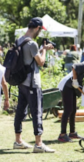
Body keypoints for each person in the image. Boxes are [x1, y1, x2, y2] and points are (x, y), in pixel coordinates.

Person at [13, 17, 55, 153]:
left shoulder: (19, 39)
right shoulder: (32, 44)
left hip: (21, 82)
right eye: (40, 30)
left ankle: (18, 141)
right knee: (37, 112)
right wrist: (44, 50)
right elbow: (41, 62)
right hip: (32, 82)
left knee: (20, 111)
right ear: (37, 28)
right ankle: (38, 144)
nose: (40, 33)